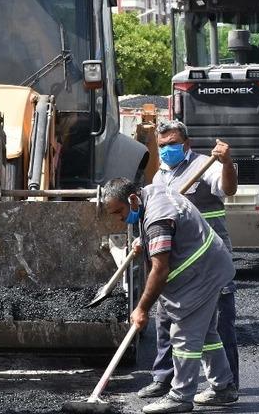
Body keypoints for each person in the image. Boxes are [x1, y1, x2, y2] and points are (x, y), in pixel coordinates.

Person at [103, 178, 236, 414]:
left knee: (183, 334)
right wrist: (144, 239)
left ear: (133, 199)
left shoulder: (157, 220)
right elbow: (167, 227)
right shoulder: (152, 193)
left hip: (202, 274)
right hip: (212, 265)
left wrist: (142, 309)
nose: (119, 219)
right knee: (206, 334)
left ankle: (181, 395)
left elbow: (160, 269)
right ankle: (223, 387)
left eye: (119, 212)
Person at [137, 120, 240, 402]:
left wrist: (227, 162)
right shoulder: (159, 178)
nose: (168, 149)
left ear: (186, 144)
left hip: (208, 261)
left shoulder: (204, 166)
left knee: (218, 324)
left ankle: (227, 385)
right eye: (163, 145)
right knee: (165, 322)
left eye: (173, 143)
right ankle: (164, 379)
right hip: (179, 266)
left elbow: (227, 189)